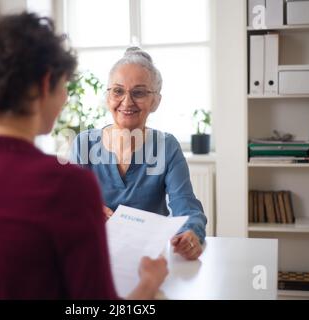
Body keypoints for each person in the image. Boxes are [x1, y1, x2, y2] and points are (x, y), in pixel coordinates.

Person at [0, 13, 167, 299]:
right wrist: (149, 283)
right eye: (63, 85)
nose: (64, 98)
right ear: (45, 84)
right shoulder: (66, 186)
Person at [71, 47, 207, 260]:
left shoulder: (167, 146)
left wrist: (191, 233)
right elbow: (69, 207)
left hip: (149, 259)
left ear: (156, 101)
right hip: (96, 256)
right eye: (118, 91)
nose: (127, 102)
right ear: (108, 97)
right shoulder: (84, 143)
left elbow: (186, 205)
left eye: (139, 92)